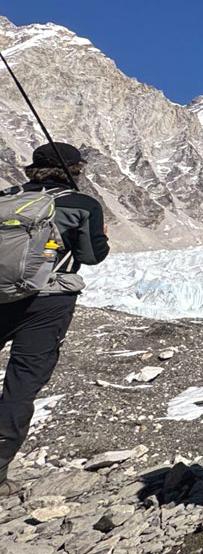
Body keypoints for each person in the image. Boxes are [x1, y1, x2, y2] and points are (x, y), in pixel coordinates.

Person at [1, 143, 108, 497]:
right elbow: (92, 256)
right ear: (75, 170)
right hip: (46, 303)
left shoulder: (5, 197)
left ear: (33, 169)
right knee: (21, 386)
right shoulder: (81, 204)